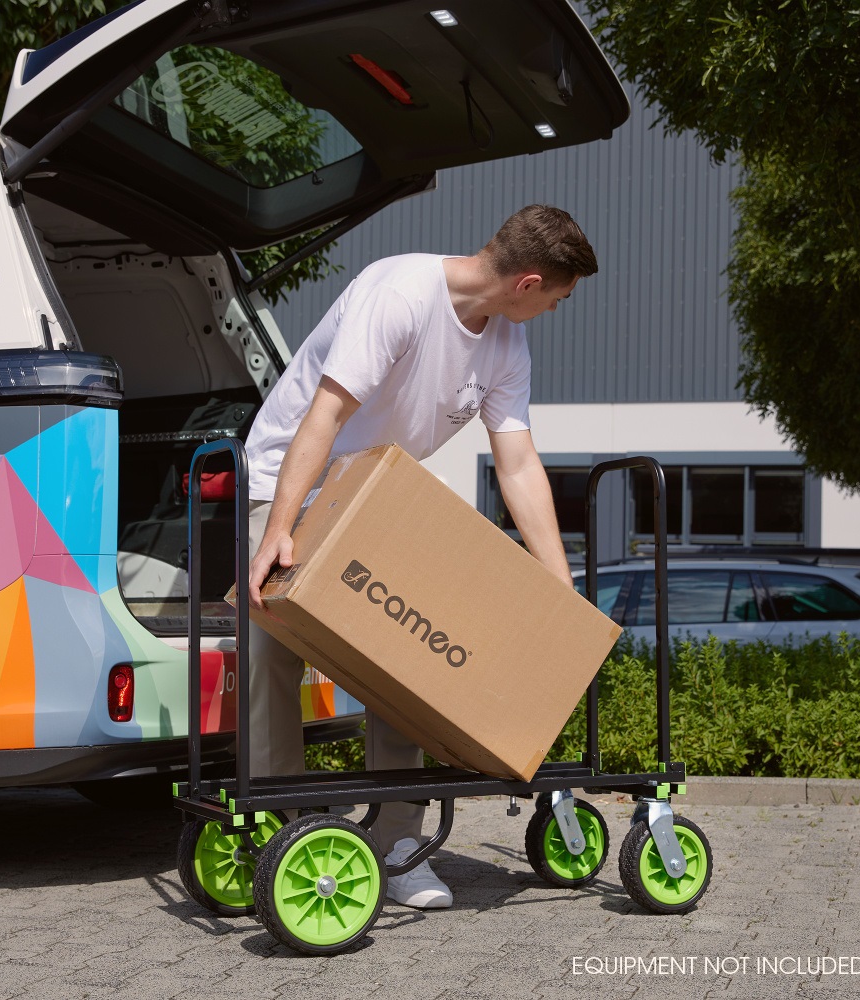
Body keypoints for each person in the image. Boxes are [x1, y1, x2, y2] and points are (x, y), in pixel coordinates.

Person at [245, 204, 598, 909]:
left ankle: (399, 842)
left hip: (373, 489)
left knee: (405, 652)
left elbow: (518, 464)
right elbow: (325, 414)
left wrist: (561, 589)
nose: (555, 310)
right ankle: (278, 833)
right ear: (528, 283)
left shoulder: (506, 345)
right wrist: (279, 526)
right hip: (290, 476)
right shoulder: (400, 296)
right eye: (558, 297)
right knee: (273, 650)